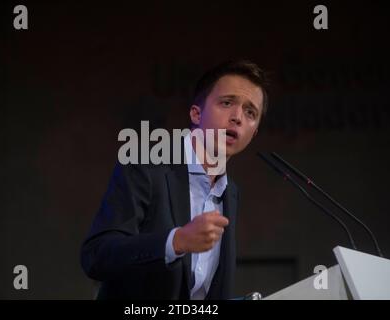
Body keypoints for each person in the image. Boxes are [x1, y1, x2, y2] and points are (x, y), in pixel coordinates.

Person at [80, 59, 269, 299]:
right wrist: (175, 241)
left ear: (254, 133)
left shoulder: (230, 191)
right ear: (195, 113)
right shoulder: (146, 166)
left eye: (250, 112)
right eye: (227, 102)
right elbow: (96, 256)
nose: (238, 117)